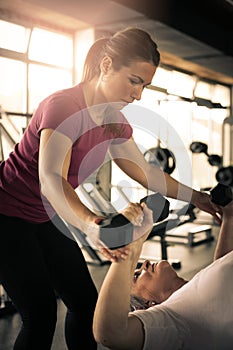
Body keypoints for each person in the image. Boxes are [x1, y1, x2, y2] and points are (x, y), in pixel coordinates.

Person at [0, 27, 220, 350]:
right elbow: (51, 179)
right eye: (134, 80)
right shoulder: (63, 107)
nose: (139, 95)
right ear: (106, 66)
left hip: (42, 217)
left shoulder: (112, 120)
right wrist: (91, 226)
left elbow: (145, 172)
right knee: (41, 312)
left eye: (144, 85)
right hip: (6, 215)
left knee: (86, 304)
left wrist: (198, 197)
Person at [93, 200, 233, 350]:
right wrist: (128, 248)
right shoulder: (174, 318)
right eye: (137, 276)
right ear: (149, 306)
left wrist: (229, 217)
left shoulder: (197, 293)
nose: (145, 263)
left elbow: (222, 271)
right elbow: (111, 334)